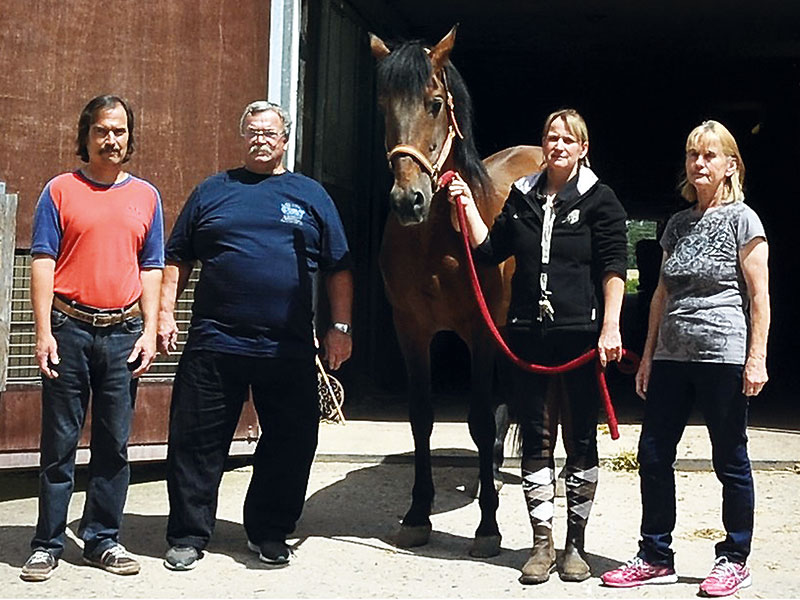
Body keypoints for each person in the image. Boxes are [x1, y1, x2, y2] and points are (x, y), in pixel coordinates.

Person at [158, 100, 353, 571]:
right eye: (253, 132)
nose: (261, 139)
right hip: (214, 341)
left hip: (286, 345)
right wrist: (164, 312)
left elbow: (339, 267)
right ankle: (188, 534)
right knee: (196, 441)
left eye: (270, 132)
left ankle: (269, 530)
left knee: (291, 440)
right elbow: (178, 256)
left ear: (286, 139)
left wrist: (340, 328)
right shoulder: (212, 191)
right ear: (242, 137)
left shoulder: (310, 195)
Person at [446, 108, 627, 584]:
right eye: (552, 137)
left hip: (581, 338)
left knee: (580, 441)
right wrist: (466, 206)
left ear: (583, 148)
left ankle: (576, 545)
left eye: (569, 139)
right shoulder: (521, 198)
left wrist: (611, 327)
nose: (559, 145)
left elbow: (613, 268)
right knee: (536, 440)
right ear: (543, 144)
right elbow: (489, 250)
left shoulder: (601, 201)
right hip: (528, 335)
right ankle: (541, 544)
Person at [601, 120, 770, 597]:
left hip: (723, 357)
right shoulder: (677, 224)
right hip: (672, 355)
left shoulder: (745, 221)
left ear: (730, 165)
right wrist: (650, 355)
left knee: (729, 458)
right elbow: (659, 294)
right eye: (694, 154)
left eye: (710, 155)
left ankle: (735, 558)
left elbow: (760, 297)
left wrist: (756, 357)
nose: (699, 163)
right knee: (652, 455)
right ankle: (655, 555)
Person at [21, 95, 164, 582]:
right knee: (58, 442)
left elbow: (152, 266)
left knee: (113, 444)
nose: (112, 139)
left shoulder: (146, 196)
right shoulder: (60, 190)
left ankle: (103, 538)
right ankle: (47, 542)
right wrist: (43, 332)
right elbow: (43, 259)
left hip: (123, 333)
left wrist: (148, 328)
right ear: (85, 136)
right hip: (69, 329)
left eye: (120, 131)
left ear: (130, 137)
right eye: (102, 130)